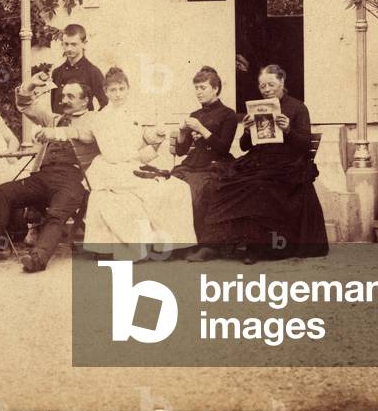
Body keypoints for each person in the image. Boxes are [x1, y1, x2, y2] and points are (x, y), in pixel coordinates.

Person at [0, 76, 98, 273]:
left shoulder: (96, 120)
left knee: (56, 214)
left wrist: (58, 133)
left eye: (71, 96)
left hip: (74, 178)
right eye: (63, 96)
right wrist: (31, 84)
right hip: (44, 175)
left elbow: (87, 135)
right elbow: (25, 105)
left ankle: (38, 258)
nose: (64, 100)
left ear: (85, 101)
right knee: (4, 192)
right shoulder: (54, 119)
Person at [201, 64, 329, 263]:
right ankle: (215, 245)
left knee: (257, 185)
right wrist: (247, 130)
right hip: (259, 160)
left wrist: (289, 130)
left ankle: (256, 248)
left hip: (287, 164)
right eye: (262, 86)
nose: (266, 89)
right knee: (222, 182)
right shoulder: (257, 108)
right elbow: (244, 146)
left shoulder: (297, 107)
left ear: (282, 82)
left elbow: (304, 145)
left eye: (271, 84)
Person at [83, 67, 197, 257]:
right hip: (112, 169)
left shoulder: (132, 114)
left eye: (121, 89)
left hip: (130, 166)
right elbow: (113, 155)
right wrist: (143, 149)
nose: (118, 94)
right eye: (113, 90)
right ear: (105, 92)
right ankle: (163, 246)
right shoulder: (101, 118)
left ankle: (175, 245)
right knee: (160, 190)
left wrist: (155, 141)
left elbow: (137, 146)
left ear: (128, 89)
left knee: (180, 188)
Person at [170, 65, 239, 262]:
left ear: (215, 88)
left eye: (203, 88)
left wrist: (202, 130)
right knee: (170, 186)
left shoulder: (228, 115)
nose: (198, 92)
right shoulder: (195, 114)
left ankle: (206, 245)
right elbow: (181, 151)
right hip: (193, 163)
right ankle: (180, 243)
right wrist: (182, 132)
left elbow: (223, 148)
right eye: (196, 88)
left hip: (215, 163)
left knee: (199, 190)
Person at [51, 23, 108, 112]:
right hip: (60, 120)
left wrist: (93, 118)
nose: (69, 49)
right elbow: (54, 106)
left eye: (74, 44)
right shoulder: (57, 72)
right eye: (66, 44)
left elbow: (106, 104)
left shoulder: (93, 72)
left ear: (84, 44)